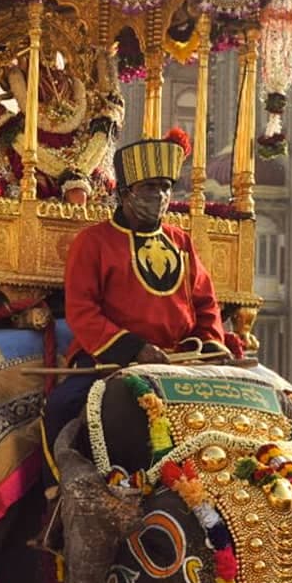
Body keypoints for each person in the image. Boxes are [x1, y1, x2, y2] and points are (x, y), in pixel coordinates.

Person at [41, 130, 231, 471]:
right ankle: (55, 493)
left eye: (165, 187)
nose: (160, 196)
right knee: (60, 406)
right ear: (126, 194)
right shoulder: (93, 242)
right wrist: (134, 349)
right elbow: (82, 311)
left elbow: (206, 303)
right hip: (112, 361)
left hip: (182, 359)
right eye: (150, 188)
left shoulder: (181, 241)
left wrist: (204, 343)